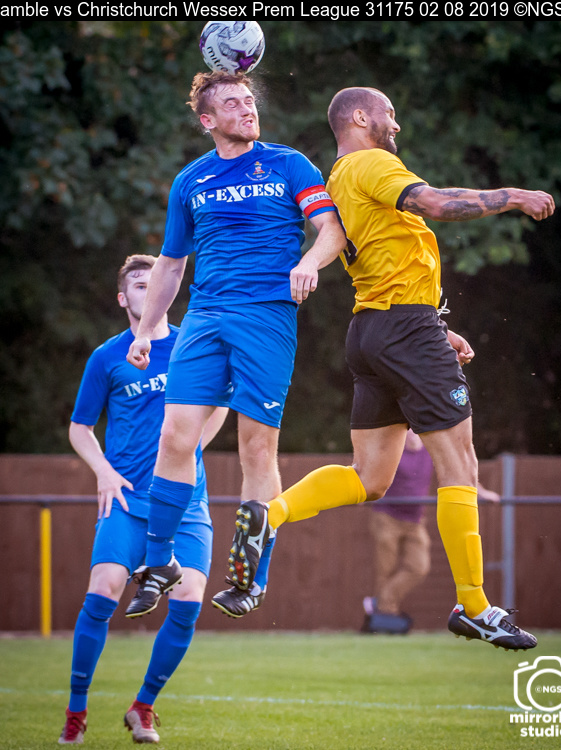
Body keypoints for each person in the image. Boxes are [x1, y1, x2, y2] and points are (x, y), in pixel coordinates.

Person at [222, 86, 555, 652]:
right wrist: (513, 196)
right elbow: (437, 204)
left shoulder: (336, 180)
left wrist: (435, 326)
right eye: (389, 114)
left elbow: (387, 259)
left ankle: (269, 514)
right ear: (360, 117)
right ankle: (475, 606)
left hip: (371, 331)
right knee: (460, 465)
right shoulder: (371, 162)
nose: (395, 125)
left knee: (369, 479)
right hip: (405, 330)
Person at [124, 71, 346, 618]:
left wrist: (309, 262)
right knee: (174, 438)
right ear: (207, 120)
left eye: (249, 100)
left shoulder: (289, 164)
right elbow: (171, 264)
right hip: (203, 317)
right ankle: (160, 562)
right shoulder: (190, 180)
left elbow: (332, 230)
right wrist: (147, 330)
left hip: (266, 316)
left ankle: (251, 579)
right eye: (232, 103)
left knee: (256, 448)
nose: (248, 108)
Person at [58, 254, 235, 745]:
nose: (149, 289)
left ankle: (143, 707)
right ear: (123, 298)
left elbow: (221, 402)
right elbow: (79, 427)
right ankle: (76, 711)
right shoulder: (107, 357)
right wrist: (103, 472)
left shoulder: (191, 345)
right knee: (104, 590)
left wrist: (193, 447)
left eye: (155, 280)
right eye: (139, 284)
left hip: (186, 504)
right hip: (129, 502)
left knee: (189, 600)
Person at [362, 429, 500, 634]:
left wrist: (483, 492)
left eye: (412, 430)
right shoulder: (393, 448)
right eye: (405, 430)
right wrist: (361, 492)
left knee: (419, 567)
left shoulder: (429, 450)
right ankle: (384, 619)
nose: (409, 434)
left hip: (415, 521)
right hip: (387, 516)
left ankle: (379, 604)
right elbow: (371, 470)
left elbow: (458, 470)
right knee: (385, 569)